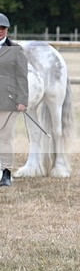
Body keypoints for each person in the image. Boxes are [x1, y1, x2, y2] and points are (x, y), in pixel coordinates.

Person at [0, 13, 28, 187]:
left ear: (7, 30)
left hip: (8, 101)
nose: (0, 32)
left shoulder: (16, 50)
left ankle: (6, 173)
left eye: (3, 29)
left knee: (5, 137)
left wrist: (22, 100)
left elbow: (22, 77)